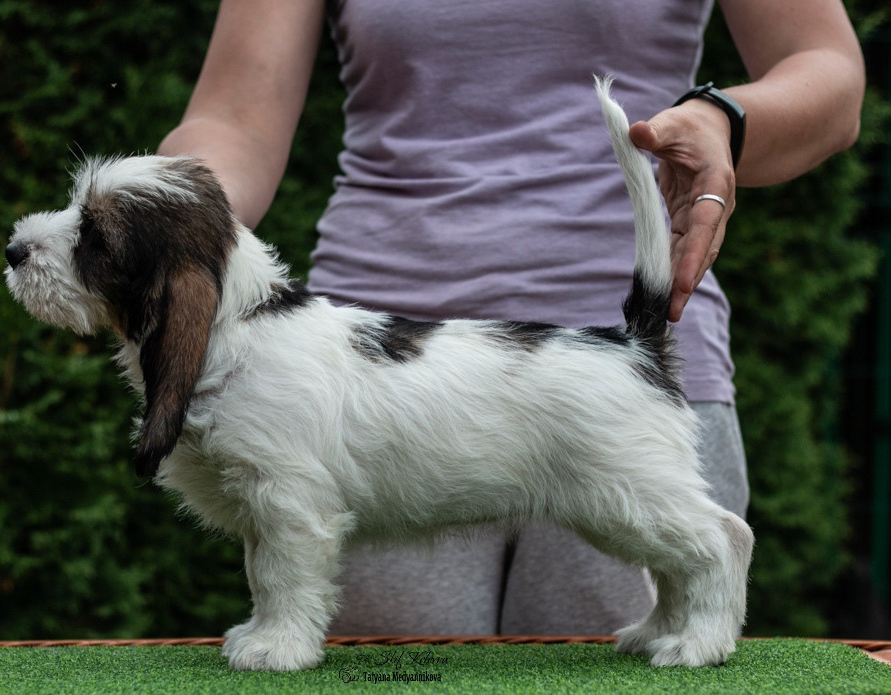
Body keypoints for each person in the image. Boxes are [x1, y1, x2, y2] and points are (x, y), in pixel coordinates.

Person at [158, 0, 865, 635]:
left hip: (607, 365)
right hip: (369, 376)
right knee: (395, 676)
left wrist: (723, 117)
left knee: (652, 584)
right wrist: (166, 216)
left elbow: (829, 74)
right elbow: (236, 116)